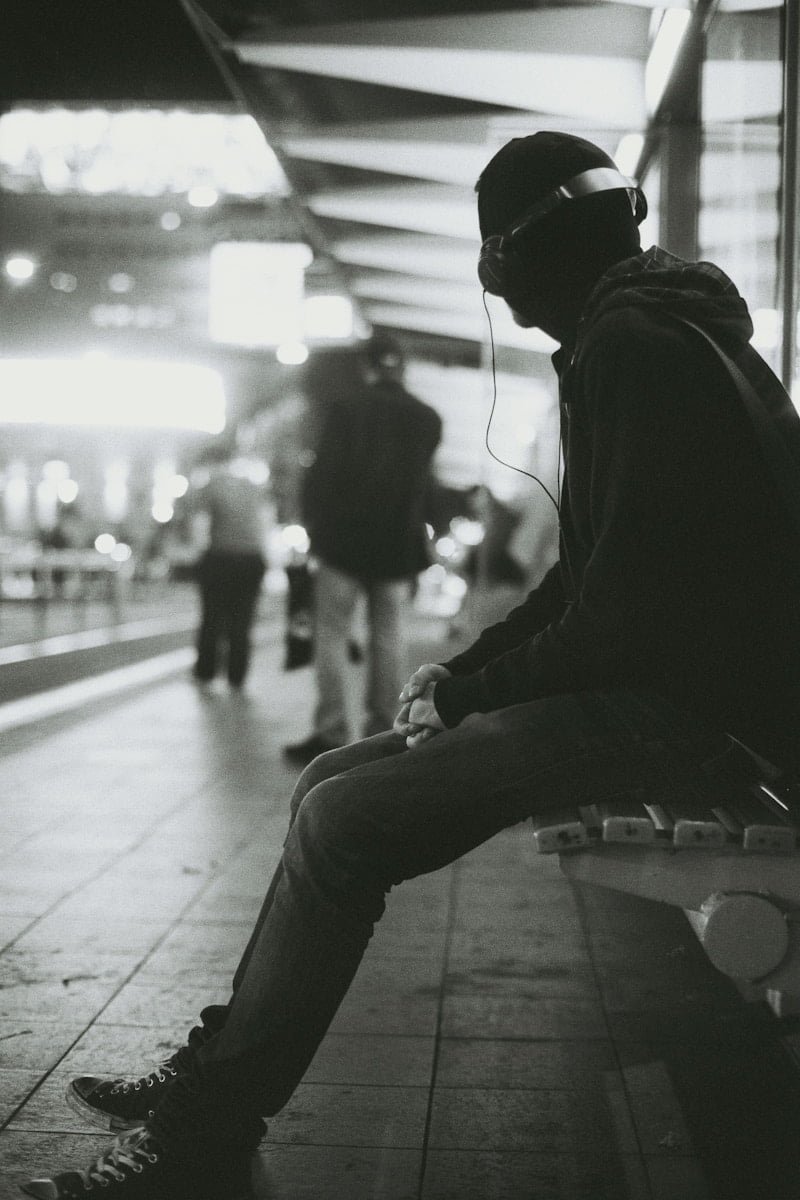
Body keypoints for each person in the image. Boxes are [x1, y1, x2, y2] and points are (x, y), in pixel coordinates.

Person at [24, 130, 800, 1199]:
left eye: (494, 250)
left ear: (519, 252)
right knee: (324, 781)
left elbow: (615, 614)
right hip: (676, 690)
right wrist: (459, 675)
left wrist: (474, 694)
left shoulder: (632, 348)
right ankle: (216, 1068)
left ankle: (208, 1130)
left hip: (690, 714)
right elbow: (583, 585)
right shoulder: (645, 330)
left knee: (344, 827)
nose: (492, 277)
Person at [283, 336, 442, 765]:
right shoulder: (428, 418)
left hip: (343, 543)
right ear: (402, 368)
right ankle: (383, 730)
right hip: (395, 545)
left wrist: (313, 530)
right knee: (388, 637)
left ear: (368, 368)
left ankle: (331, 729)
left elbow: (321, 475)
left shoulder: (347, 408)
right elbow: (425, 485)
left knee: (331, 635)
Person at [189, 441, 267, 691]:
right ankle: (237, 675)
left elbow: (200, 524)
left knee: (212, 617)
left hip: (220, 557)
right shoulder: (254, 487)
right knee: (242, 620)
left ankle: (206, 672)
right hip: (252, 559)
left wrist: (201, 553)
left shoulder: (211, 486)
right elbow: (265, 523)